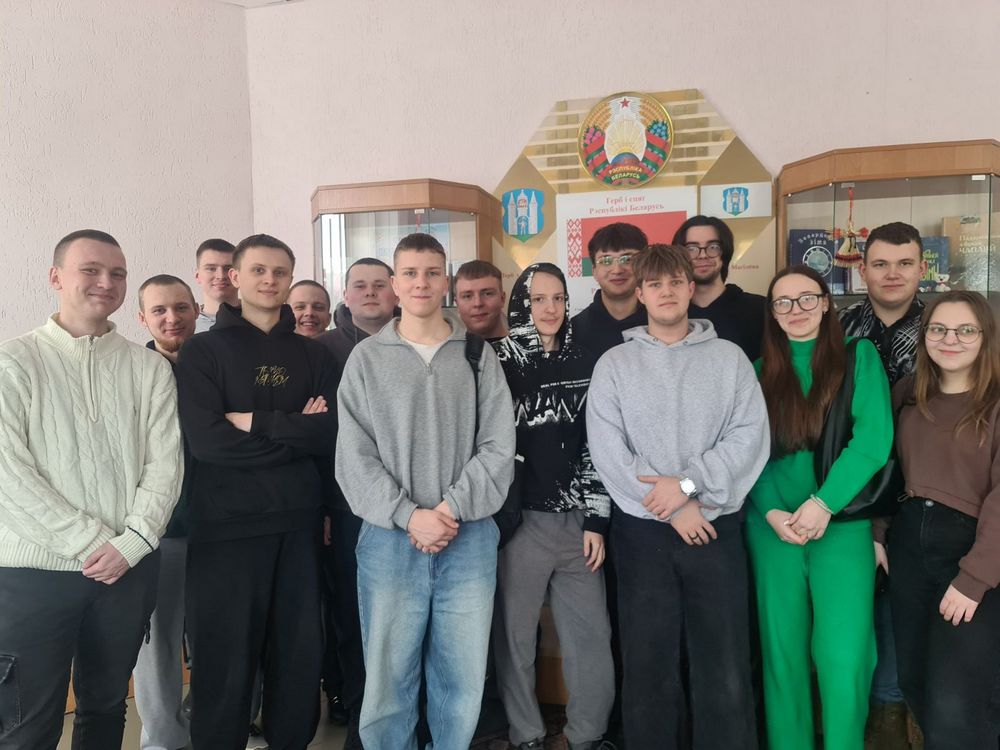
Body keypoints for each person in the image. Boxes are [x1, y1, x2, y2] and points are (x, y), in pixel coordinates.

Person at [0, 230, 183, 749]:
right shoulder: (14, 361)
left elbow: (166, 466)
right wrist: (91, 542)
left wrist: (132, 543)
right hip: (33, 574)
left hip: (126, 570)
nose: (106, 282)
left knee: (105, 709)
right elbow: (8, 475)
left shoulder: (149, 367)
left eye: (117, 273)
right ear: (55, 277)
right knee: (26, 724)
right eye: (91, 270)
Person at [335, 233, 515, 749]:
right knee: (388, 681)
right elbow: (354, 457)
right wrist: (409, 515)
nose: (421, 283)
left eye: (432, 272)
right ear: (395, 284)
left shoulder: (477, 355)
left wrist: (450, 508)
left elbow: (499, 445)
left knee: (461, 680)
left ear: (446, 281)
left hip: (469, 537)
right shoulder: (366, 359)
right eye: (410, 273)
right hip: (389, 541)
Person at [587, 244, 769, 749]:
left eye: (675, 282)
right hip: (642, 533)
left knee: (724, 662)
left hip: (714, 526)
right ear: (641, 294)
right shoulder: (614, 364)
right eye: (655, 284)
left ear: (691, 288)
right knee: (648, 662)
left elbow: (749, 438)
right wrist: (672, 509)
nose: (666, 292)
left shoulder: (730, 360)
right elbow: (609, 451)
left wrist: (689, 488)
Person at [176, 233, 340, 750]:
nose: (270, 281)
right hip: (225, 529)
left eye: (280, 272)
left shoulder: (315, 355)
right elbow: (208, 442)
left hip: (298, 526)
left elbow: (330, 434)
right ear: (235, 277)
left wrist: (255, 422)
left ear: (291, 279)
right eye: (259, 271)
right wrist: (295, 434)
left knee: (297, 656)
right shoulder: (203, 351)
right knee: (224, 661)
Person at [747, 264, 893, 750]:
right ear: (772, 313)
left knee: (843, 656)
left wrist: (823, 503)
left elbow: (872, 440)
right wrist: (771, 510)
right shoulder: (757, 371)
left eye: (807, 298)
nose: (797, 309)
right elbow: (746, 451)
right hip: (772, 528)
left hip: (841, 526)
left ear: (826, 303)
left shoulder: (858, 356)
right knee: (783, 656)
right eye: (783, 302)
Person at [492, 263, 613, 750]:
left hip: (579, 524)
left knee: (591, 636)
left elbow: (599, 445)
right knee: (515, 638)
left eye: (558, 298)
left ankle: (586, 735)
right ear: (521, 303)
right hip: (518, 523)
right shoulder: (495, 361)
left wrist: (597, 517)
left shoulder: (588, 360)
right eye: (538, 299)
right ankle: (526, 735)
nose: (550, 308)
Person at [879, 291, 1000, 749]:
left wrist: (975, 578)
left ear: (985, 336)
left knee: (959, 700)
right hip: (908, 548)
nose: (951, 339)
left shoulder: (996, 400)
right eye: (939, 329)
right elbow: (887, 470)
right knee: (916, 682)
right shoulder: (908, 394)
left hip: (971, 551)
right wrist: (877, 534)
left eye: (966, 330)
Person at [838, 221, 927, 748]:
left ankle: (898, 716)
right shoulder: (837, 328)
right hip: (846, 490)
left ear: (922, 268)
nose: (892, 274)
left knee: (904, 608)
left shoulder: (943, 328)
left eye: (904, 263)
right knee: (853, 609)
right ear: (862, 270)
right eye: (880, 264)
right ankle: (860, 718)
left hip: (922, 491)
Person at [316, 257, 398, 747]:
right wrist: (327, 507)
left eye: (379, 285)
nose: (370, 293)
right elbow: (320, 437)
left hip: (411, 506)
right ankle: (359, 708)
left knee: (401, 617)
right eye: (359, 285)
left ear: (396, 291)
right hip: (346, 507)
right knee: (352, 613)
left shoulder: (418, 340)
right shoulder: (323, 351)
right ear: (345, 295)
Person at [132, 274, 199, 750]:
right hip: (159, 531)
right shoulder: (132, 372)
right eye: (159, 310)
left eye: (180, 307)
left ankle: (213, 728)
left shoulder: (217, 365)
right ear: (143, 318)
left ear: (197, 310)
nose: (171, 318)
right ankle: (164, 741)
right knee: (157, 647)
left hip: (220, 526)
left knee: (220, 639)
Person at [672, 214, 766, 361]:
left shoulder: (760, 309)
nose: (703, 255)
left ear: (725, 252)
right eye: (692, 248)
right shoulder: (667, 312)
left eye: (713, 247)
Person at [571, 222, 649, 358]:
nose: (617, 270)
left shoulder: (661, 322)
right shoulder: (574, 331)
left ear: (644, 265)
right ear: (594, 271)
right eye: (606, 260)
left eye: (627, 259)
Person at [455, 259, 508, 342]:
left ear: (502, 299)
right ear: (457, 304)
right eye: (467, 296)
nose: (477, 303)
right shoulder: (448, 349)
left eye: (487, 294)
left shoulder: (524, 348)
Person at [193, 238, 238, 332]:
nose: (221, 276)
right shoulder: (186, 329)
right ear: (198, 276)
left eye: (228, 268)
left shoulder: (261, 320)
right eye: (211, 269)